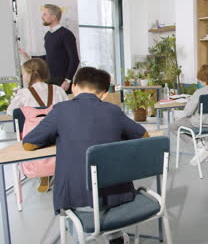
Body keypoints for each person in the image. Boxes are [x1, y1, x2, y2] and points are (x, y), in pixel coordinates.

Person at [23, 67, 148, 244]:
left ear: (73, 87)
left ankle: (82, 237)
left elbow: (29, 144)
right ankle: (114, 235)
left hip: (77, 196)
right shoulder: (113, 111)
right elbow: (143, 136)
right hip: (116, 195)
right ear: (104, 94)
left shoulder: (61, 110)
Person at [7, 58, 68, 192]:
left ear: (29, 75)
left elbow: (11, 111)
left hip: (34, 137)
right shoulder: (58, 90)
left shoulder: (24, 93)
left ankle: (44, 172)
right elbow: (67, 109)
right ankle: (53, 171)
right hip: (58, 134)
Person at [169, 64, 208, 165]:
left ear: (203, 78)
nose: (199, 80)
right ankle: (201, 142)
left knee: (173, 126)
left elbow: (188, 112)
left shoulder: (199, 92)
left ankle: (198, 144)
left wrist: (190, 101)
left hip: (198, 123)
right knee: (184, 121)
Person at [19, 4, 80, 93]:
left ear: (53, 17)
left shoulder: (66, 34)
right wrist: (30, 57)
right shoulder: (48, 35)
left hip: (62, 82)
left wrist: (67, 80)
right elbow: (50, 56)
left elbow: (74, 59)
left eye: (44, 14)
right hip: (49, 79)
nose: (42, 17)